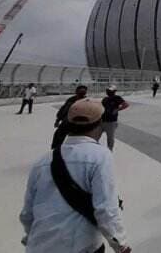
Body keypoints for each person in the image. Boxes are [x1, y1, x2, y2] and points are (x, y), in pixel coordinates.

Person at [20, 99, 131, 253]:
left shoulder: (43, 161)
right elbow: (106, 209)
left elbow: (27, 213)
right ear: (99, 123)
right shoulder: (100, 156)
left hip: (39, 246)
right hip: (79, 246)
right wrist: (121, 245)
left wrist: (30, 237)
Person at [52, 85, 88, 150]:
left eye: (82, 92)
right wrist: (57, 120)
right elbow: (63, 110)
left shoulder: (86, 101)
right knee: (58, 135)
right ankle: (56, 149)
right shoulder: (71, 100)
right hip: (68, 122)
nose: (80, 94)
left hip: (79, 124)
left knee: (78, 141)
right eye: (80, 92)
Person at [101, 86, 129, 151]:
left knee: (110, 137)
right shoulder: (105, 99)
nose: (108, 92)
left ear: (114, 92)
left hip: (111, 121)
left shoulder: (117, 98)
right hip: (102, 120)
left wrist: (117, 109)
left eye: (110, 91)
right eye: (107, 90)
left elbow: (126, 104)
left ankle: (110, 150)